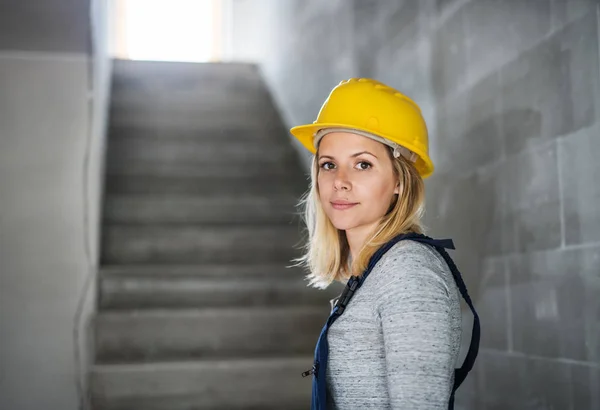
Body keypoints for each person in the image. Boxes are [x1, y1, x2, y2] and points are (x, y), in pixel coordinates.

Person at [289, 78, 479, 409]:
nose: (340, 182)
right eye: (328, 165)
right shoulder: (372, 271)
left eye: (363, 164)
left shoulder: (409, 272)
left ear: (399, 182)